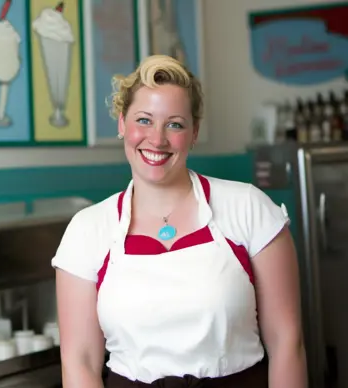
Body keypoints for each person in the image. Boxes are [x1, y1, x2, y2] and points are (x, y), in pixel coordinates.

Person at [53, 55, 307, 387]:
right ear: (121, 124)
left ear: (194, 132)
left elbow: (288, 342)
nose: (157, 139)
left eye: (174, 124)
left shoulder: (247, 207)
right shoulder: (87, 231)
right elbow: (80, 362)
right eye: (143, 120)